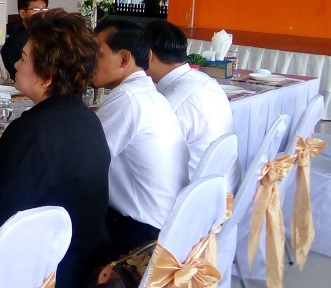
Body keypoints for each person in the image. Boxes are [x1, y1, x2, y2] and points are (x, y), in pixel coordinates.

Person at [0, 9, 111, 288]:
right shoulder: (88, 119)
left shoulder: (33, 132)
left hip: (45, 283)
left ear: (46, 77)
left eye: (23, 58)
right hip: (83, 264)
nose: (16, 65)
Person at [92, 19, 189, 257]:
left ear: (124, 59)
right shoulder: (148, 93)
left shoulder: (128, 99)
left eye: (98, 54)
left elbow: (83, 161)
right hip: (167, 224)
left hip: (140, 234)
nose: (89, 61)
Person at [145, 20, 234, 178]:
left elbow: (152, 163)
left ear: (148, 55)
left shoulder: (173, 104)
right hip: (224, 180)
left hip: (196, 188)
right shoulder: (204, 80)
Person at [0, 0, 48, 76]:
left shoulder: (47, 36)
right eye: (36, 9)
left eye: (44, 9)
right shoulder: (14, 42)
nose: (42, 14)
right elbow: (13, 74)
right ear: (23, 13)